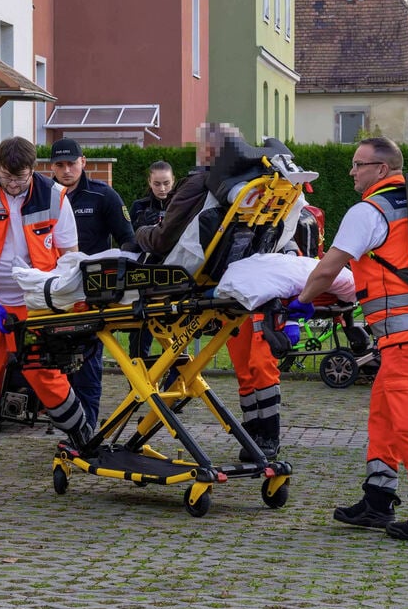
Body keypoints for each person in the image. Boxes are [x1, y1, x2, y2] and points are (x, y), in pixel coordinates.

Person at [291, 137, 408, 542]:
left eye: (358, 164)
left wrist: (301, 301)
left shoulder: (369, 210)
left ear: (380, 170)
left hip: (407, 333)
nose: (351, 171)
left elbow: (330, 266)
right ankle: (377, 501)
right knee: (384, 414)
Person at [133, 123, 285, 461]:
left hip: (194, 279)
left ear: (208, 152)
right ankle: (259, 440)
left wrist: (139, 234)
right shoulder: (263, 189)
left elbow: (162, 239)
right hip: (244, 279)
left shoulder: (199, 184)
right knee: (250, 365)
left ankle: (262, 439)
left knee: (253, 364)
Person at [0, 136, 93, 482]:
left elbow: (69, 258)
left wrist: (66, 307)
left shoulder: (55, 196)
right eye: (6, 177)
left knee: (46, 375)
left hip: (35, 305)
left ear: (34, 170)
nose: (12, 185)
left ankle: (83, 439)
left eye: (20, 178)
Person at [51, 138, 135, 429]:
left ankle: (87, 429)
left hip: (90, 294)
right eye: (59, 165)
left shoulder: (103, 196)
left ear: (83, 162)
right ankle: (68, 423)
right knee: (57, 365)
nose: (66, 170)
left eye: (71, 163)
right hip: (54, 293)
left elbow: (128, 240)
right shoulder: (44, 197)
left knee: (87, 365)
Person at [128, 160, 175, 360]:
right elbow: (127, 244)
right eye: (157, 183)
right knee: (139, 336)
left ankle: (176, 387)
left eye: (166, 183)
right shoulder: (139, 206)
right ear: (149, 182)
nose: (162, 188)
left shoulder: (181, 204)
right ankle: (138, 386)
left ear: (173, 181)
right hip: (144, 279)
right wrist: (141, 228)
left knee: (175, 338)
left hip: (173, 276)